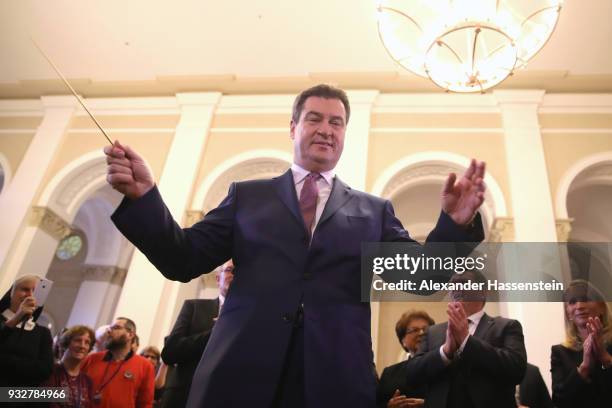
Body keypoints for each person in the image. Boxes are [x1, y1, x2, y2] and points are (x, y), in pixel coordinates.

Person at [105, 84, 486, 407]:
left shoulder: (374, 211)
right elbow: (182, 259)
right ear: (293, 127)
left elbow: (421, 279)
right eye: (314, 119)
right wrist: (145, 199)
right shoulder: (247, 197)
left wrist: (455, 223)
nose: (326, 129)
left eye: (336, 122)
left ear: (344, 135)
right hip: (240, 375)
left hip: (335, 381)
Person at [405, 269, 527, 408]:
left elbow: (516, 370)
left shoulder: (506, 326)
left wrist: (466, 341)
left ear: (483, 291)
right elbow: (411, 374)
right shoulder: (432, 332)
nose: (456, 288)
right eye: (452, 285)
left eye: (463, 283)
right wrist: (445, 352)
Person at [160, 260, 234, 408]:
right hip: (184, 395)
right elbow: (170, 353)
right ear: (218, 278)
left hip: (226, 396)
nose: (235, 275)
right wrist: (216, 332)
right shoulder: (194, 307)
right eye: (230, 270)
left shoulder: (250, 318)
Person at [551, 279, 612, 408]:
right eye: (572, 302)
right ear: (568, 314)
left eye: (586, 299)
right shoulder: (560, 352)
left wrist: (605, 357)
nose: (579, 306)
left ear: (601, 307)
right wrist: (584, 368)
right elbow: (558, 401)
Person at [81, 317, 155, 408]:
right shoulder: (91, 359)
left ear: (130, 335)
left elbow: (145, 404)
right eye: (109, 328)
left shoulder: (145, 366)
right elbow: (70, 388)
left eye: (115, 328)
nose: (109, 331)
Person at [0, 274, 53, 386]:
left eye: (34, 291)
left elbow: (44, 371)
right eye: (24, 289)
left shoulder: (43, 333)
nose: (29, 295)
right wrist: (18, 316)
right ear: (11, 293)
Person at [377, 310, 435, 408]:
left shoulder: (444, 367)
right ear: (403, 340)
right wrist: (388, 406)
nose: (421, 333)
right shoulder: (389, 374)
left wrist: (428, 405)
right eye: (415, 330)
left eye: (426, 329)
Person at [44, 325, 96, 408]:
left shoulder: (87, 381)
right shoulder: (49, 371)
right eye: (78, 340)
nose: (82, 346)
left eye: (87, 342)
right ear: (66, 344)